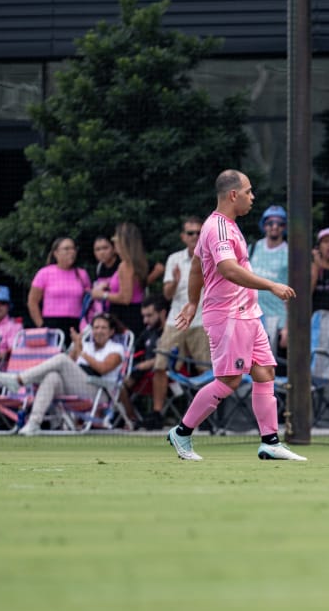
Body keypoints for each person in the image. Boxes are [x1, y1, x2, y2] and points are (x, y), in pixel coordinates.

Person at [166, 169, 305, 462]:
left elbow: (196, 265)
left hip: (248, 315)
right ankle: (181, 432)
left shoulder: (228, 225)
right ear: (233, 195)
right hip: (228, 316)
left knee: (265, 372)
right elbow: (228, 269)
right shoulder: (217, 228)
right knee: (229, 380)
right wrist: (271, 285)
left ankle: (270, 442)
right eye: (248, 191)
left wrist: (192, 302)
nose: (252, 197)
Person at [0, 313, 126, 436]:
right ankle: (34, 423)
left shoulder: (116, 348)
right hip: (78, 386)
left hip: (100, 392)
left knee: (61, 359)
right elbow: (69, 365)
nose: (99, 331)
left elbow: (103, 369)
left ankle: (19, 380)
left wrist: (82, 353)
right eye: (96, 327)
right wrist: (75, 347)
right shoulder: (86, 345)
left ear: (111, 331)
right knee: (52, 376)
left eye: (103, 328)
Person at [140, 216, 212, 431]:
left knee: (206, 369)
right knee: (160, 365)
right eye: (190, 233)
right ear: (183, 237)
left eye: (199, 232)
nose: (195, 236)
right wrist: (178, 280)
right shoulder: (174, 259)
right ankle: (157, 413)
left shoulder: (213, 258)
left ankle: (206, 416)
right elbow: (167, 294)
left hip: (202, 320)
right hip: (176, 320)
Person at [28, 236, 91, 345]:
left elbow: (89, 301)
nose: (71, 252)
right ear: (56, 253)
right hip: (52, 324)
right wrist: (41, 326)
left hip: (76, 324)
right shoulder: (44, 273)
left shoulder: (82, 274)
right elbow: (32, 302)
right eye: (66, 249)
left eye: (73, 248)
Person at [91, 222, 148, 334]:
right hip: (135, 313)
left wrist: (102, 295)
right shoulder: (138, 262)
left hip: (124, 316)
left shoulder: (125, 265)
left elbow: (125, 298)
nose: (114, 242)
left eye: (115, 239)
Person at [121, 295, 167, 427]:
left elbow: (177, 355)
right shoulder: (148, 331)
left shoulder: (172, 332)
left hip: (165, 371)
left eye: (149, 315)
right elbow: (136, 349)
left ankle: (138, 418)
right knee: (117, 381)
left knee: (122, 382)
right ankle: (130, 417)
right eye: (144, 316)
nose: (145, 320)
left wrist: (150, 363)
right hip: (141, 372)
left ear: (162, 313)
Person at [250, 205, 289, 348]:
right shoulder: (253, 248)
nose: (275, 226)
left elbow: (293, 293)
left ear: (284, 227)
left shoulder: (289, 253)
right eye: (270, 223)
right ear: (264, 225)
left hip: (277, 322)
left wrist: (287, 327)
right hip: (251, 317)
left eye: (280, 223)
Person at [89, 235, 119, 317]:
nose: (102, 252)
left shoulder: (122, 265)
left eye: (105, 248)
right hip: (106, 312)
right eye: (97, 249)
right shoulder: (99, 267)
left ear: (114, 249)